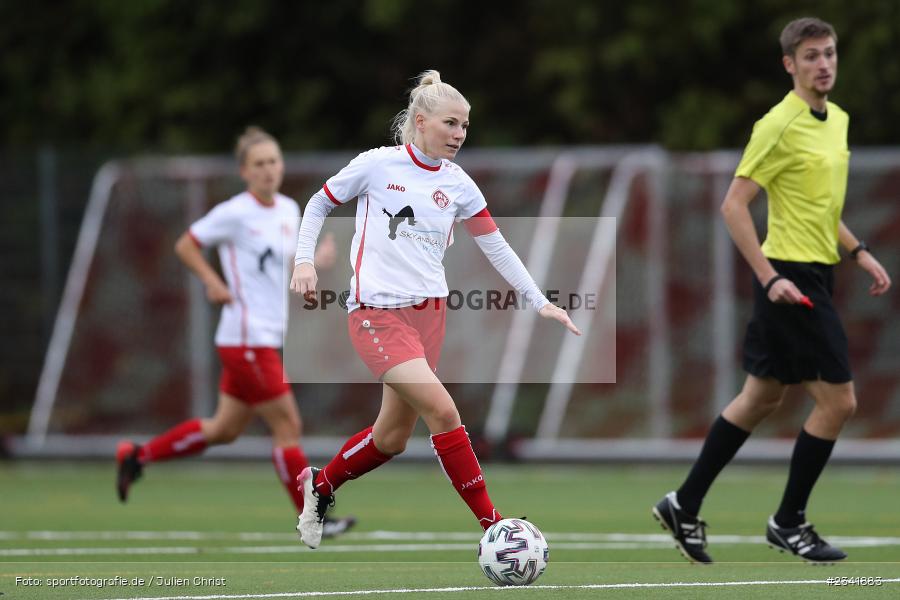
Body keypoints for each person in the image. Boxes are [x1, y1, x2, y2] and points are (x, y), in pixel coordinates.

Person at [289, 70, 581, 549]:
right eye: (451, 123)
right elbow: (318, 203)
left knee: (391, 439)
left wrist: (539, 300)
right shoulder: (378, 165)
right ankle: (496, 528)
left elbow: (497, 246)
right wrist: (304, 260)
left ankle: (319, 487)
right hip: (376, 315)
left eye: (465, 126)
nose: (460, 134)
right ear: (420, 122)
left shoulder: (459, 184)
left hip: (430, 317)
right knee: (444, 412)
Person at [652, 17, 891, 564]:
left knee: (760, 397)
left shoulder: (838, 121)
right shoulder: (778, 125)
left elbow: (820, 208)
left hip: (816, 271)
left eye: (829, 53)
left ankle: (683, 504)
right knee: (839, 401)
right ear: (790, 64)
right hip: (790, 278)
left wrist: (858, 252)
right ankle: (789, 522)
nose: (823, 63)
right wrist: (771, 277)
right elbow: (733, 206)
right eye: (810, 56)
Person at [116, 126, 356, 539]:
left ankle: (137, 456)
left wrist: (317, 260)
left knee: (223, 429)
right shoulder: (234, 212)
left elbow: (283, 271)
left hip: (263, 338)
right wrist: (211, 281)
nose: (268, 170)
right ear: (245, 171)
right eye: (259, 164)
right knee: (288, 428)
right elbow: (186, 244)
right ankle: (313, 518)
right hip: (245, 339)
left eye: (274, 161)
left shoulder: (286, 209)